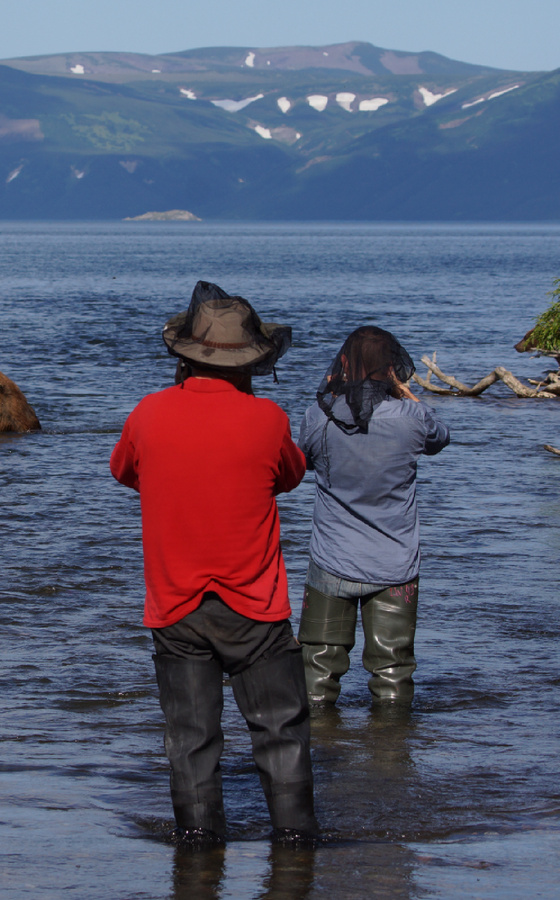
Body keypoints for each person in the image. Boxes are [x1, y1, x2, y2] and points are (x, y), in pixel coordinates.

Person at [110, 281, 317, 846]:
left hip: (175, 603)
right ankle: (296, 844)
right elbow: (290, 477)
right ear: (250, 362)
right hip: (255, 604)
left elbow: (125, 472)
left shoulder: (147, 414)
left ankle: (198, 846)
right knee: (280, 733)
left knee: (190, 737)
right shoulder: (268, 418)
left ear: (185, 357)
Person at [297, 326, 450, 705]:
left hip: (332, 561)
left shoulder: (319, 417)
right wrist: (406, 393)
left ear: (343, 365)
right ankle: (392, 754)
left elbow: (301, 462)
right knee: (394, 671)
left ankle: (318, 754)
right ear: (393, 369)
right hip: (395, 564)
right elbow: (441, 437)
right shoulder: (413, 418)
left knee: (316, 671)